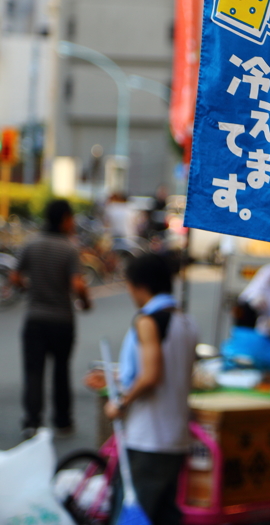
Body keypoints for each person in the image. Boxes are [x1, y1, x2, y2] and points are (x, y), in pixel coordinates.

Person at [106, 253, 198, 525]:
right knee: (163, 513)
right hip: (176, 437)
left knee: (131, 514)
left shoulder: (147, 321)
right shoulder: (187, 322)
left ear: (139, 285)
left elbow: (151, 376)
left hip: (148, 438)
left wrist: (120, 404)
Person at [10, 199, 90, 438]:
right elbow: (77, 284)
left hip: (35, 319)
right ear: (65, 219)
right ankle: (62, 421)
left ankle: (32, 422)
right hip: (62, 320)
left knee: (34, 371)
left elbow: (14, 276)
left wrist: (29, 288)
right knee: (61, 370)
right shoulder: (69, 248)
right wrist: (85, 301)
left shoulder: (31, 244)